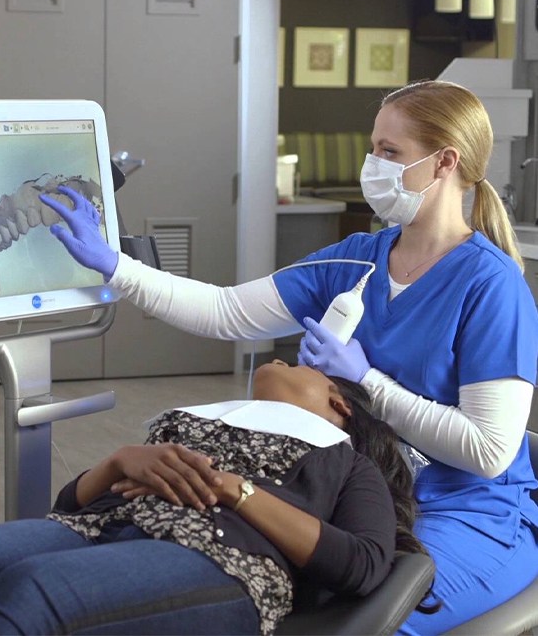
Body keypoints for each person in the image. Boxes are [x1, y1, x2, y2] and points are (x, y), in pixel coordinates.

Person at [39, 78, 538, 635]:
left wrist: (368, 381)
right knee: (253, 590)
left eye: (391, 153)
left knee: (367, 621)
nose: (373, 164)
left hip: (467, 514)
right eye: (373, 147)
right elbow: (226, 311)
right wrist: (113, 264)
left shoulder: (490, 286)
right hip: (367, 498)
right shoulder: (358, 259)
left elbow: (489, 452)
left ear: (444, 163)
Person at [0, 362, 427, 635]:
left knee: (32, 590)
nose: (286, 361)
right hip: (99, 528)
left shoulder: (343, 459)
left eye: (301, 365)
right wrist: (118, 462)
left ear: (339, 402)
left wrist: (234, 490)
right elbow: (72, 506)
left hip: (222, 558)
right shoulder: (201, 418)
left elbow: (363, 564)